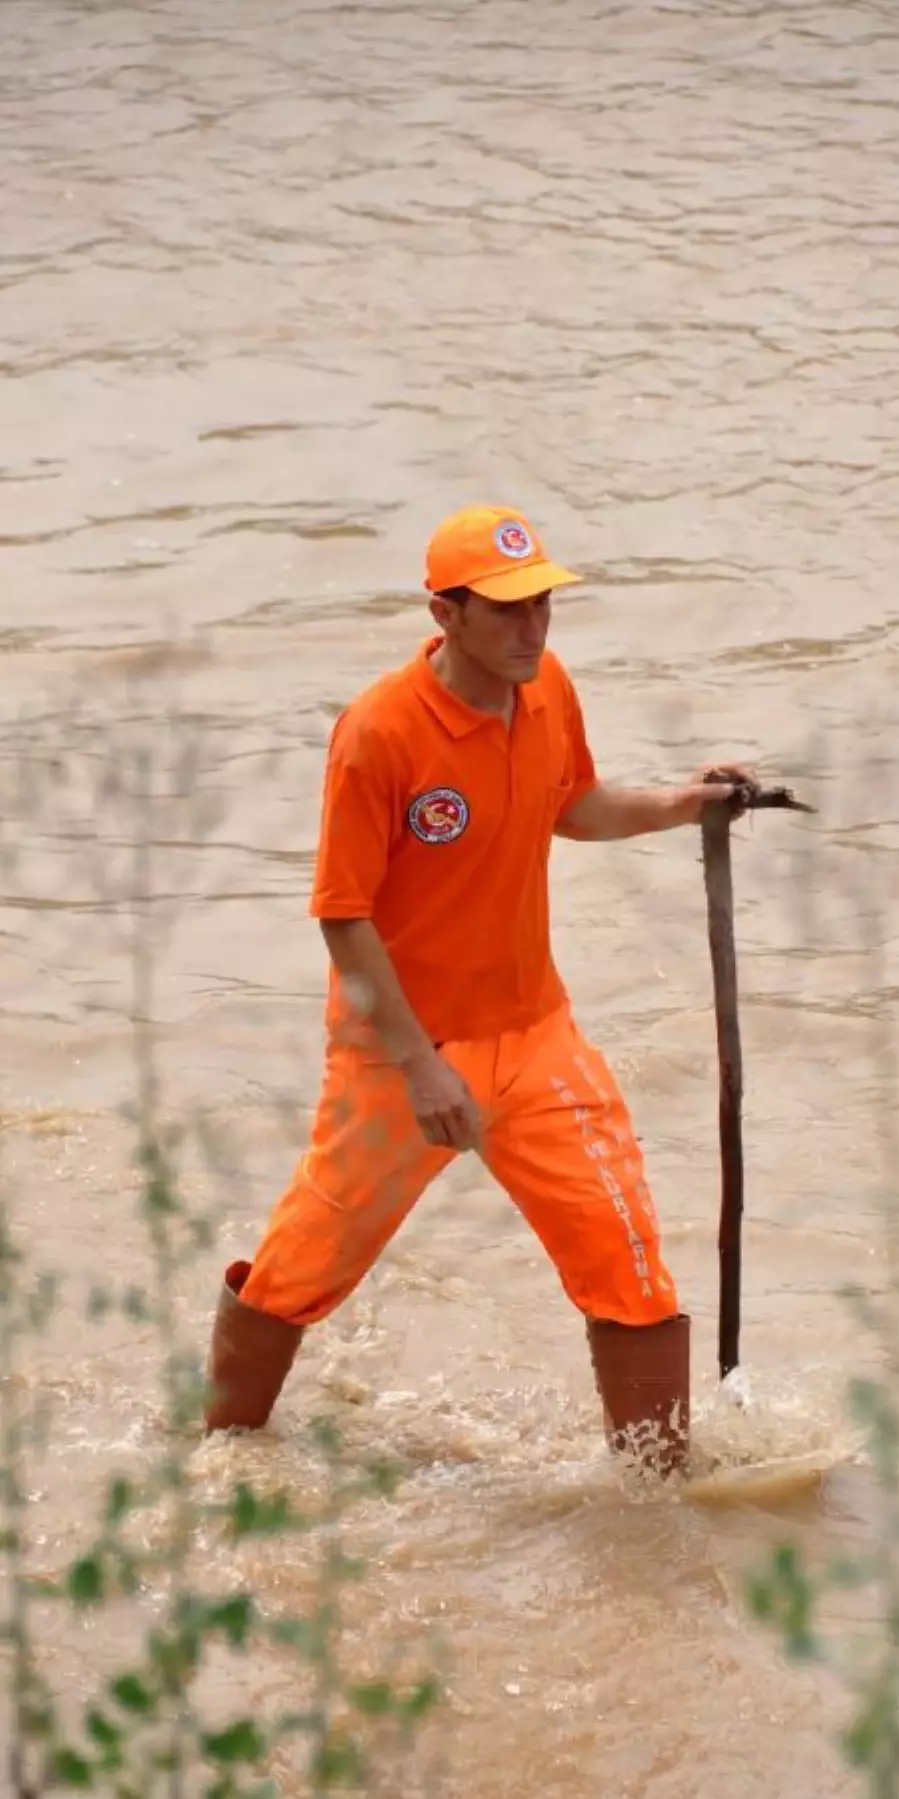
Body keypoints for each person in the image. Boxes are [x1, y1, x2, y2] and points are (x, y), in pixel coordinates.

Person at [202, 503, 751, 1477]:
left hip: (538, 1037)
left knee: (626, 1260)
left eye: (542, 605)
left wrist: (683, 802)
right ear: (445, 613)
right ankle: (218, 1451)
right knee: (303, 1268)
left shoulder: (548, 690)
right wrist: (419, 1067)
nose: (532, 630)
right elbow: (342, 912)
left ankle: (660, 1507)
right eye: (505, 611)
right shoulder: (380, 733)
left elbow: (571, 804)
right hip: (398, 1053)